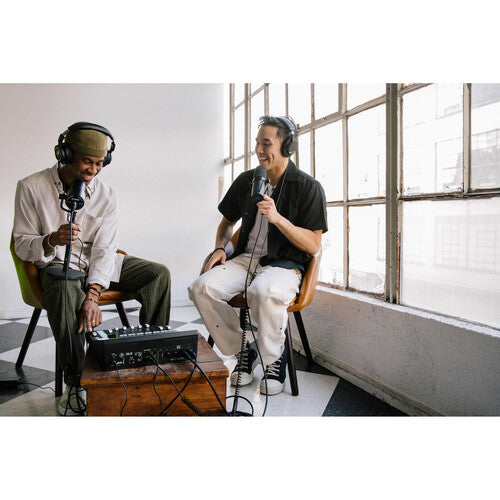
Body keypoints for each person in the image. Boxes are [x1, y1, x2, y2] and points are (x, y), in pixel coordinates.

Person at [13, 122, 171, 415]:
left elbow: (105, 249)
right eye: (87, 161)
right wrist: (51, 239)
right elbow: (21, 245)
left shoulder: (107, 195)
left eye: (100, 163)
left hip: (96, 263)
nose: (93, 170)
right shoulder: (31, 187)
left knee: (158, 274)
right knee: (64, 292)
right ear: (66, 154)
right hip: (57, 264)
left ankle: (151, 360)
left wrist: (93, 295)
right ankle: (77, 382)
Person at [189, 115, 327, 396]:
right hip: (244, 259)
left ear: (287, 147)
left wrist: (278, 219)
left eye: (266, 143)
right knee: (200, 288)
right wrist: (220, 247)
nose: (259, 150)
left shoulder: (308, 187)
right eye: (257, 143)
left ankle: (274, 360)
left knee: (262, 291)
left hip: (285, 265)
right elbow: (227, 224)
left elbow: (314, 245)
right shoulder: (246, 181)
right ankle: (244, 350)